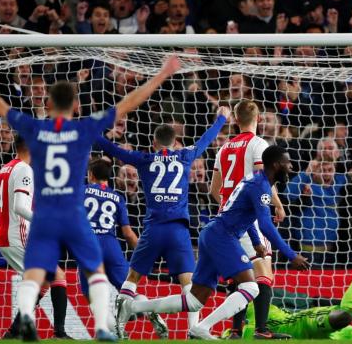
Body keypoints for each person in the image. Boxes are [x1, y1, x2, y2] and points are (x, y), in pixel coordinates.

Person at [0, 54, 181, 341]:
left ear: (47, 105)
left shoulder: (35, 128)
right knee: (95, 270)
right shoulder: (84, 128)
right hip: (73, 215)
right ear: (76, 106)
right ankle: (102, 327)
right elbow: (129, 103)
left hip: (46, 215)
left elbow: (0, 106)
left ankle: (26, 319)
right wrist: (162, 74)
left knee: (35, 272)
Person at [115, 145, 310, 339]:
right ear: (276, 165)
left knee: (194, 301)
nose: (291, 167)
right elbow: (266, 225)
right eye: (287, 163)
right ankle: (202, 327)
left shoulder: (255, 179)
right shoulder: (260, 186)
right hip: (222, 236)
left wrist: (256, 241)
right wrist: (292, 255)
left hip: (213, 233)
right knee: (251, 287)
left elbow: (243, 213)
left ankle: (133, 306)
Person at [97, 106, 231, 337]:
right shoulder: (185, 155)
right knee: (189, 284)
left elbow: (111, 148)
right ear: (175, 141)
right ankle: (193, 330)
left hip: (153, 229)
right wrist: (221, 119)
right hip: (179, 231)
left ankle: (119, 327)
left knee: (132, 279)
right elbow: (206, 139)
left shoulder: (144, 158)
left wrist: (89, 132)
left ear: (154, 142)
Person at [210, 99, 288, 339]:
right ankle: (261, 329)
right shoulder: (258, 144)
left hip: (225, 220)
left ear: (234, 120)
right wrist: (279, 205)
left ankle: (235, 329)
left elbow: (214, 190)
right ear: (259, 119)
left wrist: (230, 207)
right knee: (263, 271)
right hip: (251, 218)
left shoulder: (224, 148)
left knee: (239, 273)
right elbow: (262, 182)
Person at [0, 135, 71, 339]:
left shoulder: (6, 168)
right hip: (17, 233)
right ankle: (60, 333)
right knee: (58, 276)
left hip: (5, 234)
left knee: (44, 281)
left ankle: (13, 333)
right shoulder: (24, 169)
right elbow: (20, 207)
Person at [81, 158, 139, 335]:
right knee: (128, 290)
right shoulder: (118, 197)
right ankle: (150, 311)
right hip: (111, 245)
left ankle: (116, 331)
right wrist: (142, 253)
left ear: (90, 175)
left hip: (89, 245)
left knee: (92, 295)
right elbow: (128, 233)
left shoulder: (81, 191)